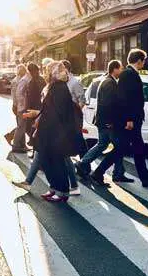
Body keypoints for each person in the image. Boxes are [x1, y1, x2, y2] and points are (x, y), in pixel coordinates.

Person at [116, 49, 148, 187]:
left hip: (133, 118)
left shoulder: (129, 73)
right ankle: (146, 179)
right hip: (131, 119)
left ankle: (145, 179)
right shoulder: (129, 74)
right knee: (135, 148)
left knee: (126, 148)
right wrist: (129, 119)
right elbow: (126, 98)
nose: (144, 63)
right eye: (144, 60)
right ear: (139, 61)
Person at [32, 65, 80, 201]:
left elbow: (56, 113)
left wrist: (41, 122)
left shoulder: (59, 87)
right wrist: (38, 116)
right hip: (50, 131)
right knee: (48, 162)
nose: (65, 72)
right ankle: (54, 188)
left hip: (56, 133)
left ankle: (62, 192)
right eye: (62, 70)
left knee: (56, 163)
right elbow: (48, 109)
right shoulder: (54, 86)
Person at [76, 60, 126, 179]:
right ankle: (84, 163)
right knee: (117, 147)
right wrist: (109, 121)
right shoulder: (110, 83)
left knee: (105, 145)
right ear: (115, 69)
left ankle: (118, 172)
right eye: (121, 68)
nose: (122, 70)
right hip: (107, 122)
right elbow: (107, 104)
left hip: (103, 120)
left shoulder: (107, 80)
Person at [60, 59, 88, 157]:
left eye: (61, 68)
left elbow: (82, 100)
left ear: (66, 69)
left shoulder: (74, 82)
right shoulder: (62, 82)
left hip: (74, 117)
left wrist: (75, 112)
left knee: (78, 139)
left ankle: (85, 165)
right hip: (64, 116)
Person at [5, 64, 28, 148]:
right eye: (22, 70)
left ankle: (22, 144)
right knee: (21, 125)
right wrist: (15, 105)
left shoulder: (21, 79)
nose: (24, 71)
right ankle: (11, 137)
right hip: (18, 106)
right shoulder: (17, 81)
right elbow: (15, 95)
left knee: (22, 125)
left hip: (19, 105)